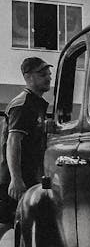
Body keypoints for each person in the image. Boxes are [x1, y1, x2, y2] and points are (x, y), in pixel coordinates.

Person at [0, 57, 53, 235]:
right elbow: (13, 142)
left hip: (29, 177)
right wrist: (16, 179)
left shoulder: (37, 104)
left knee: (25, 223)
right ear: (28, 77)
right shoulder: (23, 104)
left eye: (49, 74)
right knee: (5, 223)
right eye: (42, 74)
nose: (48, 77)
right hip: (14, 179)